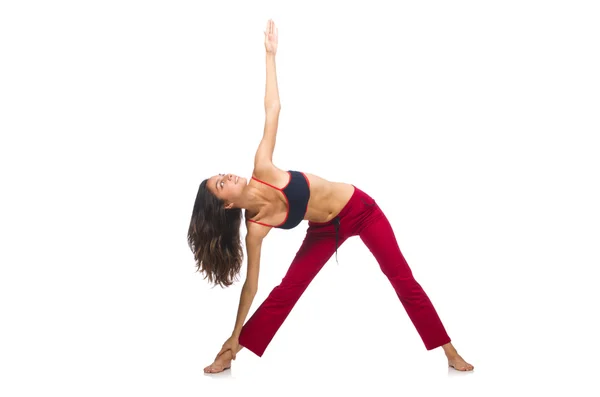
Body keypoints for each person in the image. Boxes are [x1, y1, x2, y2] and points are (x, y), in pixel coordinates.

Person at [188, 19, 474, 374]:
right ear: (227, 204)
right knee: (287, 291)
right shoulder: (256, 229)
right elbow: (252, 286)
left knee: (401, 276)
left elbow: (273, 109)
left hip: (361, 209)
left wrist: (270, 55)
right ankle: (233, 351)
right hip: (324, 230)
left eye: (220, 174)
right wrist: (234, 334)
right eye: (221, 184)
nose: (227, 175)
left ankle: (449, 351)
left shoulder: (262, 168)